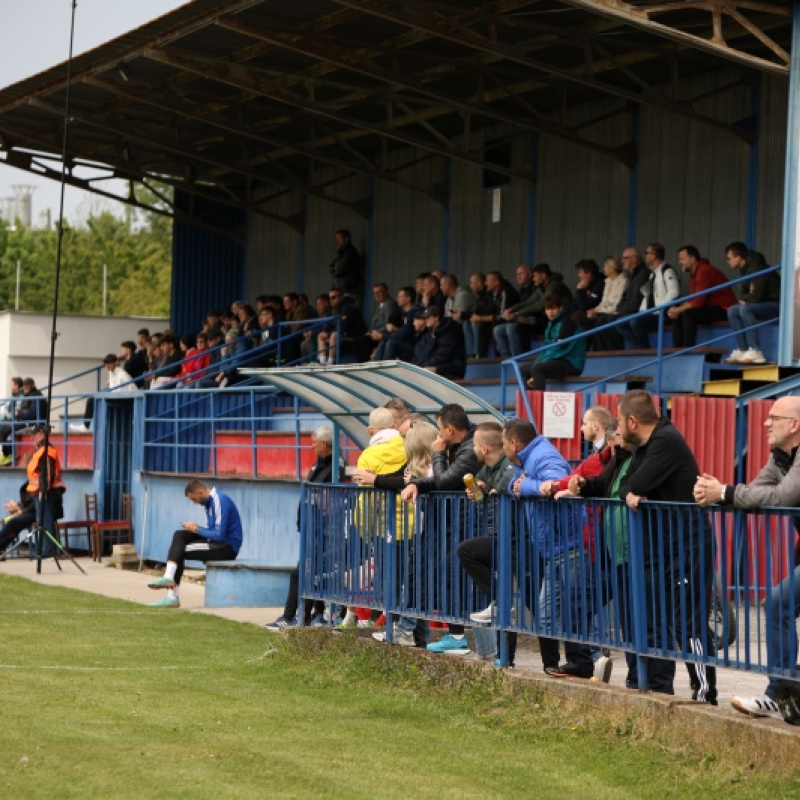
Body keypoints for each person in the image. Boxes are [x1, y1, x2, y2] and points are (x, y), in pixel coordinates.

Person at [694, 395, 800, 724]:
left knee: (779, 601)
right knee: (780, 603)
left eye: (773, 418)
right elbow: (756, 493)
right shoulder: (781, 456)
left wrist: (724, 493)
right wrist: (720, 493)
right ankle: (783, 693)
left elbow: (783, 497)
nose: (765, 423)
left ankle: (781, 692)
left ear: (794, 425)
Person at [618, 390, 717, 704]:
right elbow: (626, 485)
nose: (618, 428)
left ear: (633, 420)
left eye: (620, 421)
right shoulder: (645, 445)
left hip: (689, 544)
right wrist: (629, 492)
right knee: (670, 617)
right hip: (668, 546)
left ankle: (705, 692)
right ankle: (677, 685)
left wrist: (631, 491)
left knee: (689, 619)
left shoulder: (665, 440)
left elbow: (636, 484)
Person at [502, 418, 593, 677]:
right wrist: (521, 486)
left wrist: (529, 486)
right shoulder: (527, 459)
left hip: (568, 543)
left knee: (572, 607)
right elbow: (514, 483)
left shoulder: (543, 457)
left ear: (514, 443)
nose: (503, 448)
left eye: (504, 443)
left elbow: (553, 486)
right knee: (548, 614)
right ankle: (563, 665)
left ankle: (586, 662)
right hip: (553, 548)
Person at [400, 403, 481, 654]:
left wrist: (437, 453)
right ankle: (456, 636)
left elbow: (445, 481)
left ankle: (460, 638)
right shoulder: (462, 445)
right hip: (461, 523)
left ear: (449, 429)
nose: (438, 436)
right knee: (448, 574)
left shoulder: (468, 449)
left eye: (439, 429)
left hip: (468, 523)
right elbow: (440, 479)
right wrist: (417, 484)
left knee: (452, 575)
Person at [265, 427, 344, 630]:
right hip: (312, 528)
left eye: (314, 442)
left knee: (303, 573)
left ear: (326, 444)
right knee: (310, 572)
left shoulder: (335, 466)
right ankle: (312, 615)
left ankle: (292, 616)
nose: (311, 446)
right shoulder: (320, 464)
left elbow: (327, 499)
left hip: (324, 531)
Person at [456, 421, 516, 663]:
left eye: (475, 446)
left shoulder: (508, 465)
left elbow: (505, 484)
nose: (472, 451)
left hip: (515, 538)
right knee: (505, 603)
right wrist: (478, 488)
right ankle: (504, 657)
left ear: (484, 449)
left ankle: (501, 600)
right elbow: (484, 486)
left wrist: (489, 486)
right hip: (500, 535)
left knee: (467, 551)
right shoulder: (488, 468)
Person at [147, 479, 243, 608]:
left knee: (179, 550)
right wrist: (196, 528)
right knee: (179, 535)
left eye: (194, 499)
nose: (194, 503)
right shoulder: (209, 504)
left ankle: (172, 597)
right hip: (217, 542)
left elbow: (219, 535)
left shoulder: (219, 500)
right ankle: (169, 578)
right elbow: (213, 531)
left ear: (201, 492)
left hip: (226, 547)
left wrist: (197, 529)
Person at [667, 246, 736, 348]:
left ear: (693, 258)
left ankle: (688, 348)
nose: (679, 262)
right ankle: (677, 349)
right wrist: (676, 310)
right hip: (711, 307)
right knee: (678, 313)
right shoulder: (694, 273)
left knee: (688, 313)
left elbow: (698, 301)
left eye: (682, 259)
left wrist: (679, 309)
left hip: (725, 309)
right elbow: (693, 299)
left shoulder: (704, 270)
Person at [724, 241, 780, 364]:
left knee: (745, 309)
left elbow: (757, 297)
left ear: (738, 257)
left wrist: (748, 297)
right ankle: (743, 349)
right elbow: (743, 294)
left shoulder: (756, 267)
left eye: (729, 258)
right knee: (732, 310)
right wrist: (748, 296)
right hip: (763, 304)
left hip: (777, 305)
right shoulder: (744, 269)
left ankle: (755, 351)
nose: (728, 262)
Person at [617, 243, 680, 350]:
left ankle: (645, 349)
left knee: (635, 321)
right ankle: (636, 347)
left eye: (647, 253)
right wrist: (642, 311)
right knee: (620, 322)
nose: (645, 255)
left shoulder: (667, 270)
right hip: (651, 313)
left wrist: (660, 309)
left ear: (654, 255)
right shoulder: (652, 274)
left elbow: (674, 292)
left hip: (663, 314)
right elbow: (646, 295)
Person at [521, 295, 586, 390]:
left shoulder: (567, 324)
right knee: (523, 369)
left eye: (553, 309)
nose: (550, 312)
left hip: (571, 363)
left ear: (560, 308)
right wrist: (538, 363)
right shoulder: (551, 325)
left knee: (538, 368)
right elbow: (546, 349)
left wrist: (538, 367)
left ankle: (538, 403)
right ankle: (529, 402)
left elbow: (559, 349)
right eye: (548, 309)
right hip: (556, 361)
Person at [593, 247, 649, 351]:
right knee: (599, 320)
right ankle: (603, 350)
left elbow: (636, 300)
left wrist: (619, 311)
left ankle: (617, 350)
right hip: (625, 310)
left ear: (634, 259)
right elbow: (624, 297)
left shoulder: (642, 274)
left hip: (635, 310)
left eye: (625, 258)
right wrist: (618, 310)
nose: (622, 260)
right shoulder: (632, 275)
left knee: (612, 319)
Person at [26, 424, 66, 558]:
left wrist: (43, 490)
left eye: (35, 435)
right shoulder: (41, 450)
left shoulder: (46, 451)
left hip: (45, 493)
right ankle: (44, 549)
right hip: (40, 492)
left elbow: (47, 474)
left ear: (42, 435)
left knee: (45, 521)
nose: (32, 438)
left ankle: (48, 550)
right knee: (42, 521)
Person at [584, 256, 628, 351]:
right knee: (589, 320)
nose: (603, 268)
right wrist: (596, 310)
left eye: (605, 266)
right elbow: (604, 302)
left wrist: (598, 311)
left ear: (612, 268)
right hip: (605, 311)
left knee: (600, 321)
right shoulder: (607, 281)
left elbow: (617, 303)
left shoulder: (623, 280)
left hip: (615, 311)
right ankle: (591, 350)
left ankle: (609, 350)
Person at [416, 305, 467, 380]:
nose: (425, 320)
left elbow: (442, 357)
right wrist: (419, 366)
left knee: (426, 372)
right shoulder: (432, 332)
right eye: (424, 318)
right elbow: (426, 353)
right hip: (441, 367)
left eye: (428, 317)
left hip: (453, 370)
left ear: (436, 317)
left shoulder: (449, 332)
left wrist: (423, 366)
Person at [0, 481, 37, 556]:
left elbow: (37, 503)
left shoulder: (40, 480)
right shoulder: (29, 484)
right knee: (10, 520)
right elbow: (28, 502)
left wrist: (21, 510)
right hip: (31, 512)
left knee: (16, 521)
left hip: (42, 512)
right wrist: (18, 506)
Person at [329, 228, 363, 299]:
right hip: (342, 289)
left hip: (348, 289)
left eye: (339, 239)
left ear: (346, 239)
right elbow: (331, 266)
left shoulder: (350, 252)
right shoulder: (342, 253)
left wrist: (337, 268)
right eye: (336, 239)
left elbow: (341, 270)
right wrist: (336, 267)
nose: (337, 241)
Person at [570, 259, 605, 326]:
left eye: (580, 272)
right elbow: (575, 305)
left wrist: (580, 290)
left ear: (589, 274)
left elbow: (583, 307)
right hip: (589, 313)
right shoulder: (587, 283)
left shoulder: (600, 284)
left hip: (599, 313)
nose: (578, 275)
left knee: (577, 316)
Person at [0, 377, 24, 466]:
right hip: (6, 419)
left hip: (14, 421)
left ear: (16, 386)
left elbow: (14, 412)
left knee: (2, 430)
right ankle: (6, 454)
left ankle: (8, 454)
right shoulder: (12, 396)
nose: (10, 386)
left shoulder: (21, 397)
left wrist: (7, 413)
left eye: (12, 384)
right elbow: (4, 404)